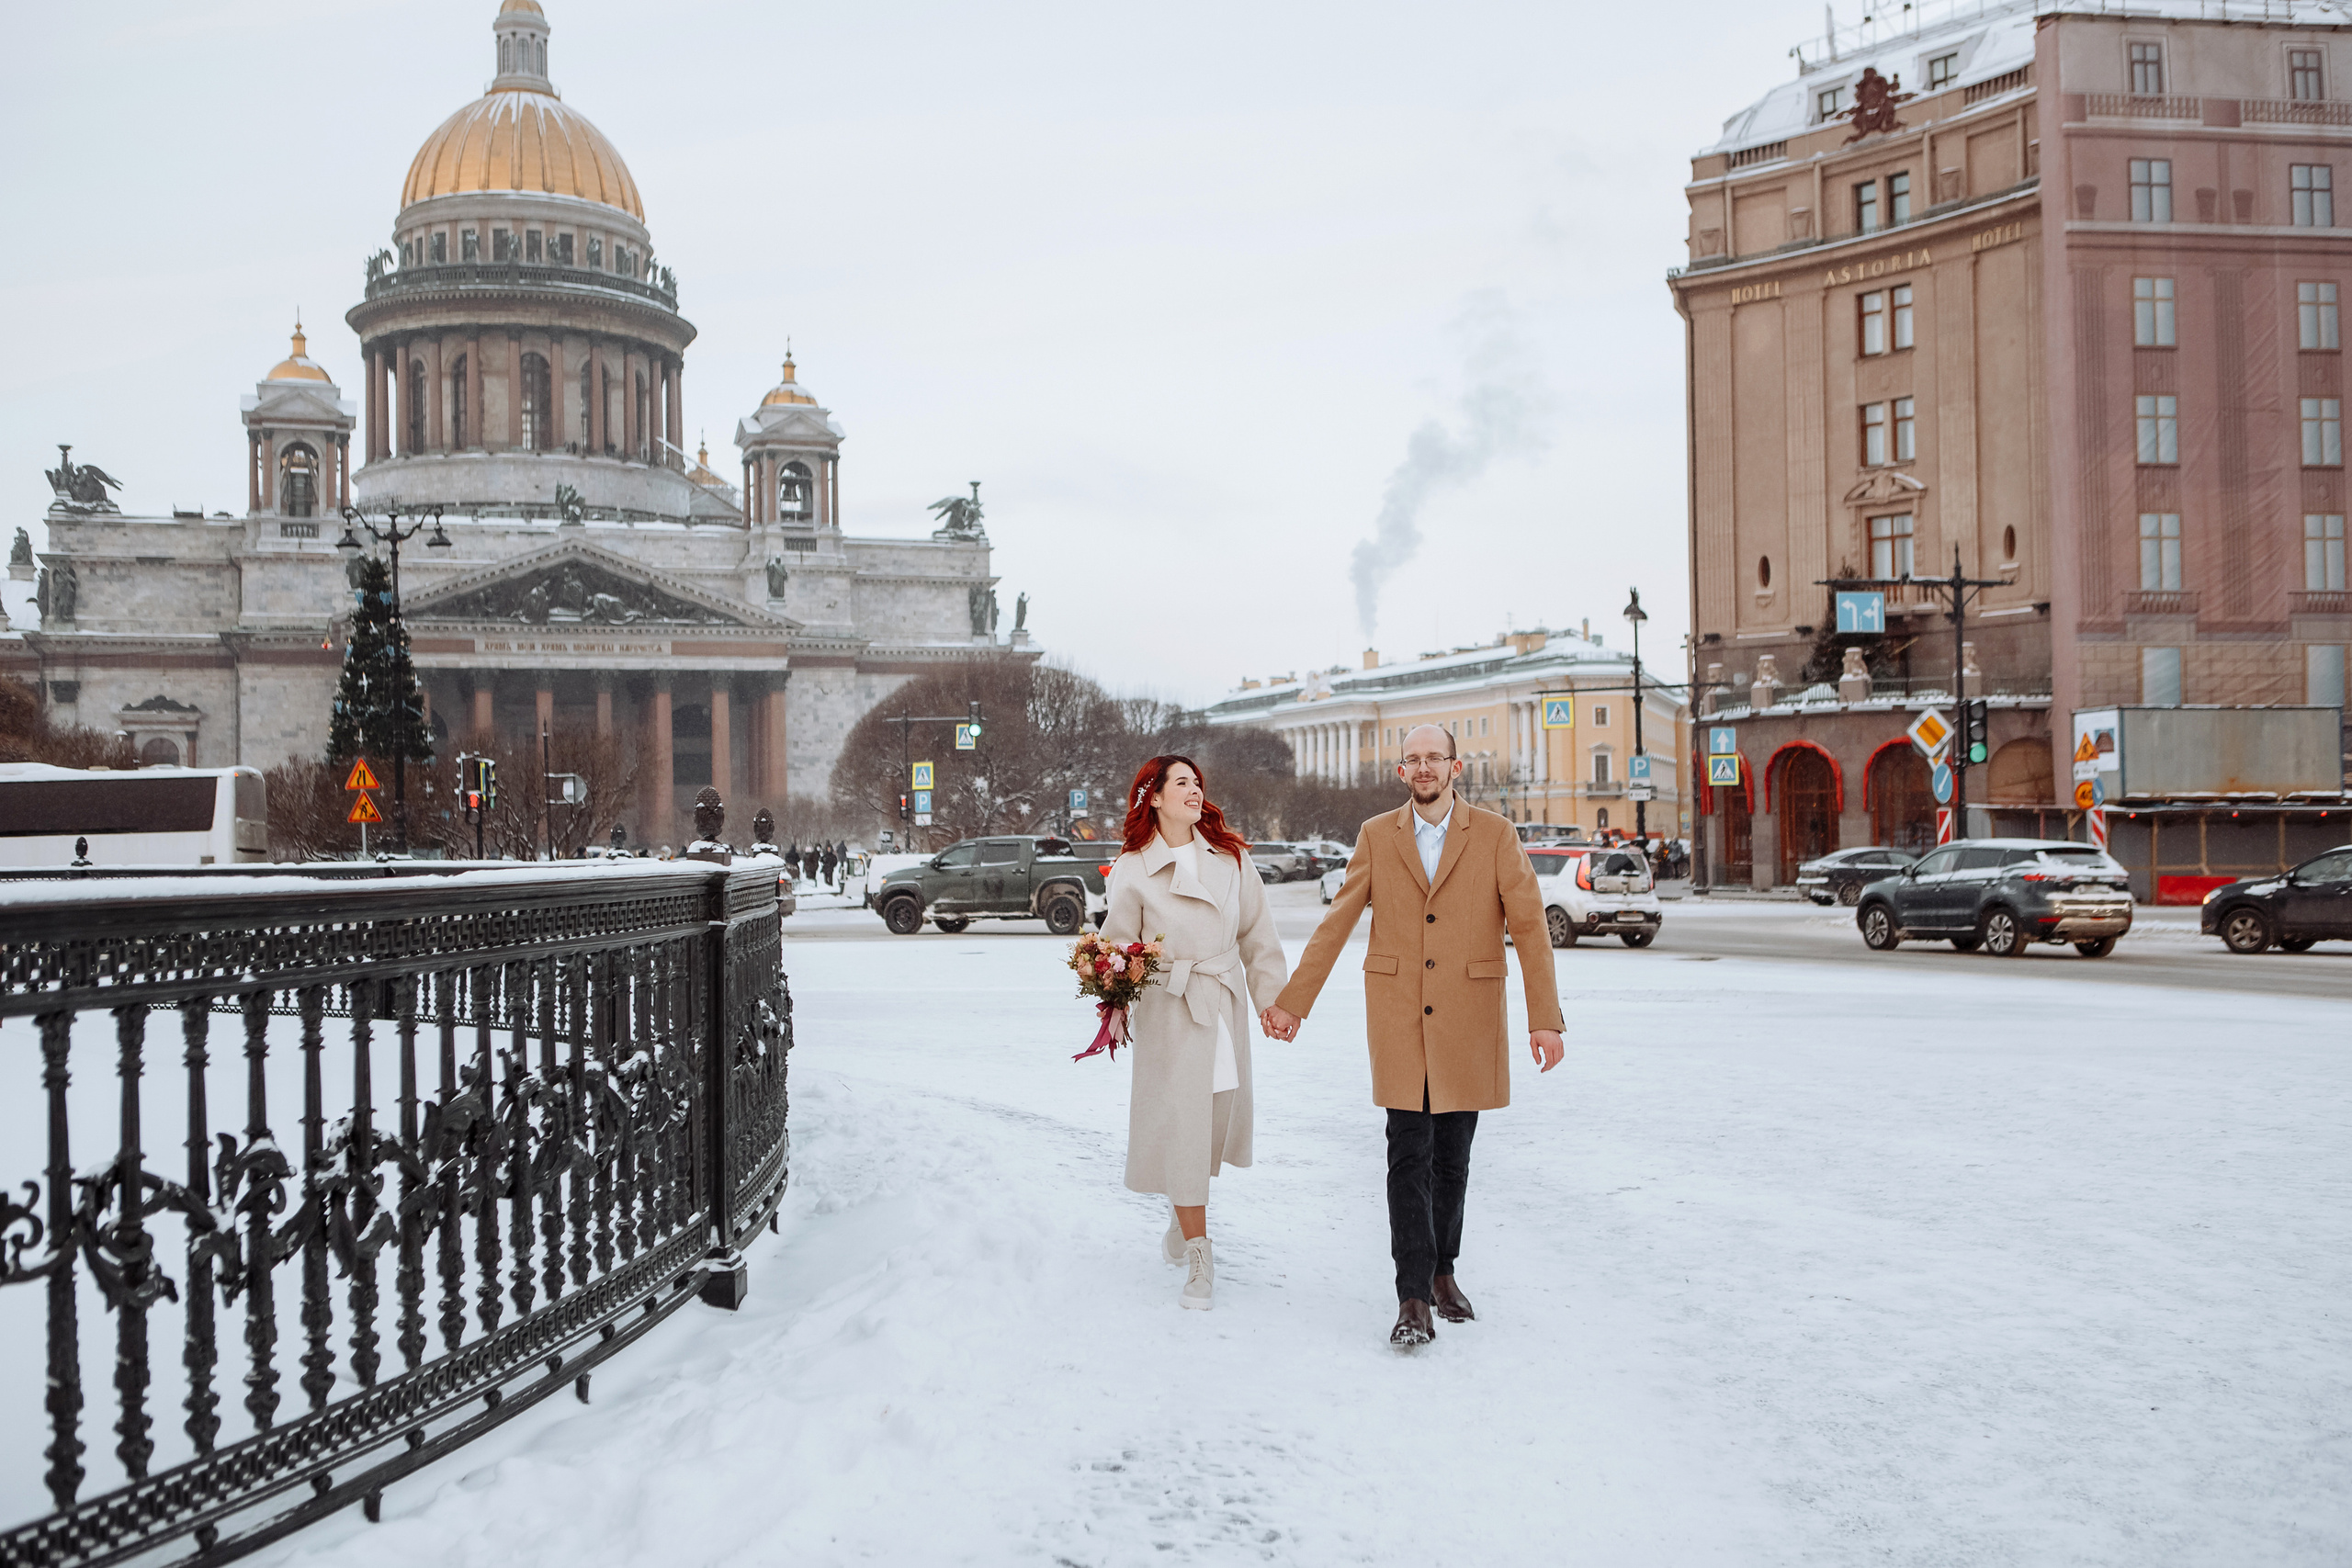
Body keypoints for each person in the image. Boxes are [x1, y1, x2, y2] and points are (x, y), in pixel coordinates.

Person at [1263, 723, 1564, 1348]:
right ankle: (1412, 1296)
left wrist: (1544, 1017)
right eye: (1414, 759)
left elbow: (1531, 928)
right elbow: (1336, 922)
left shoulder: (1496, 835)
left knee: (1452, 1157)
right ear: (1402, 772)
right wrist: (1295, 1001)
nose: (1424, 767)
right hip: (1399, 1015)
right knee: (1408, 1155)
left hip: (1469, 1015)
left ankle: (1443, 1271)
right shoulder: (1377, 836)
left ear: (1457, 768)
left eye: (1436, 758)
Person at [1100, 754, 1290, 1311]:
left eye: (1196, 782)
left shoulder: (1231, 859)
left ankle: (1181, 1221)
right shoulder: (1134, 867)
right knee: (1183, 1122)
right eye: (1180, 782)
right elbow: (1117, 947)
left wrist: (1272, 1002)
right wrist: (1114, 997)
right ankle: (1201, 1252)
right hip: (1171, 1010)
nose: (1193, 789)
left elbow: (1259, 935)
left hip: (1222, 1002)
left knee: (1213, 1120)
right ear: (1153, 797)